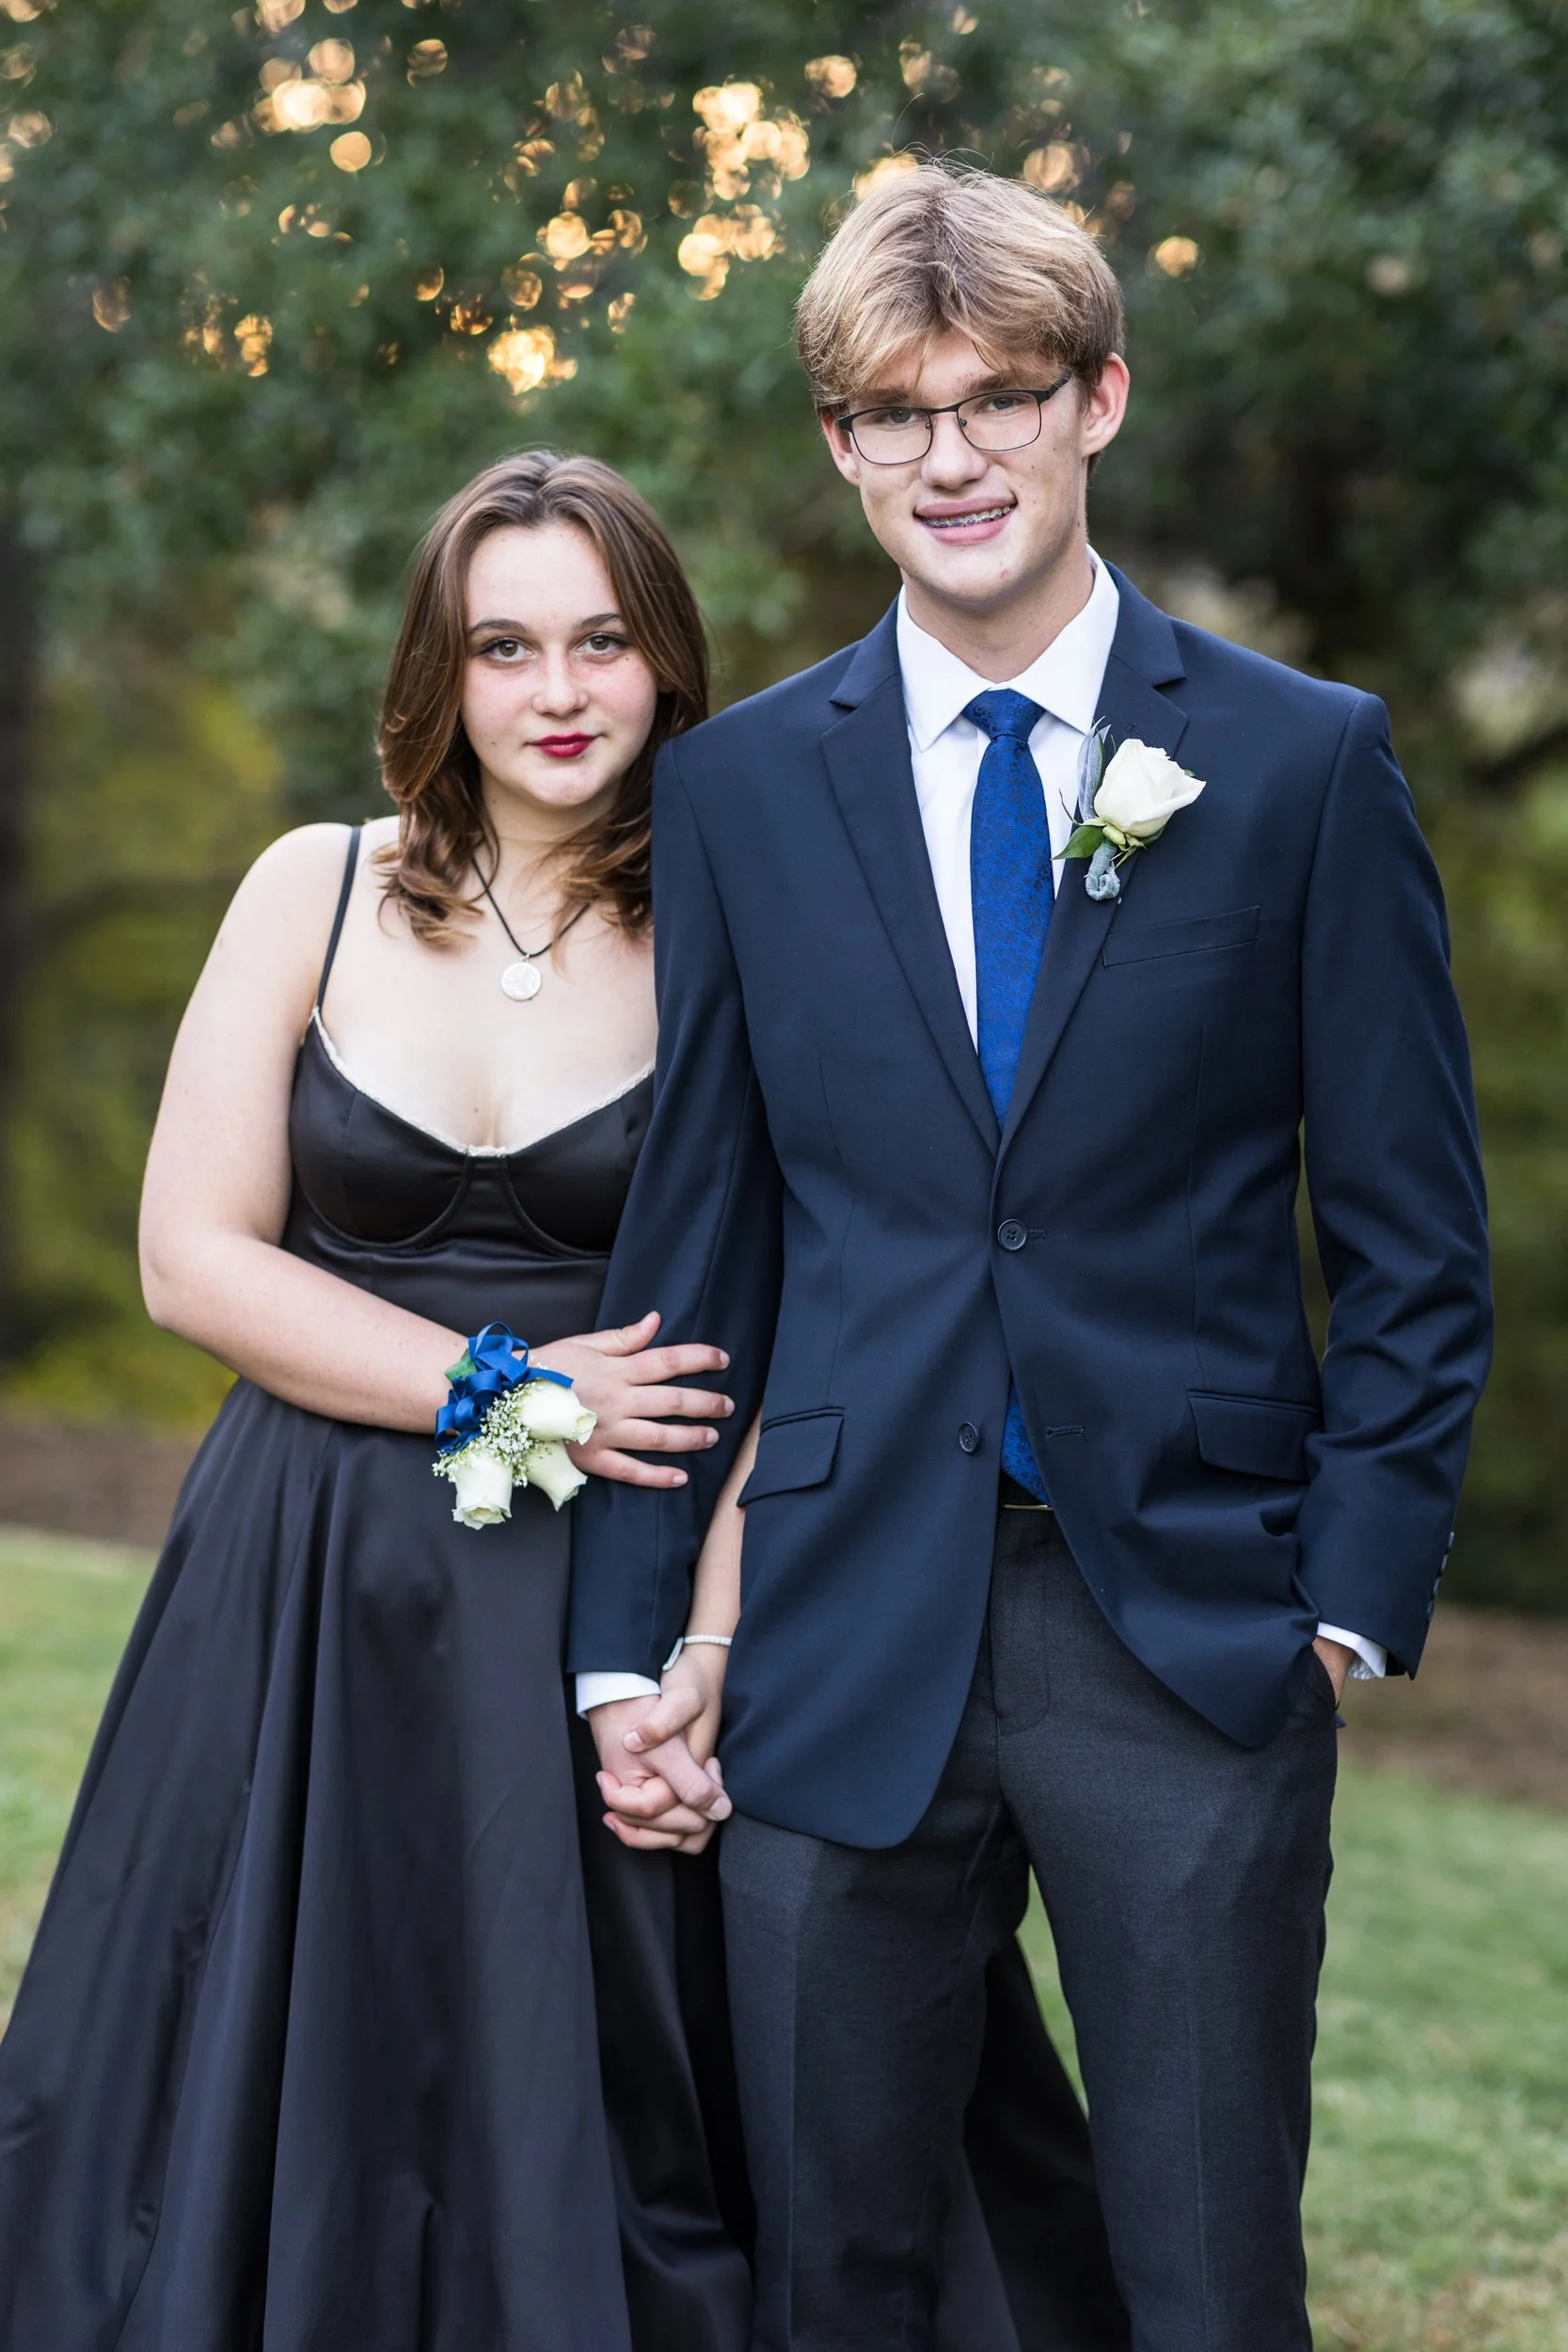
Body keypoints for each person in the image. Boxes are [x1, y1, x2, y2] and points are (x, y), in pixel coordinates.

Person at [0, 450, 1123, 2352]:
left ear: (665, 662)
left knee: (645, 2081)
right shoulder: (315, 888)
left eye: (602, 639)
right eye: (502, 643)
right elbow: (194, 1255)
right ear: (436, 673)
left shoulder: (759, 920)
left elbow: (832, 1305)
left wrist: (707, 1632)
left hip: (629, 1570)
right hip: (312, 1585)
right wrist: (507, 1389)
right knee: (293, 2043)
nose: (556, 689)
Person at [571, 165, 1494, 2351]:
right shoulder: (735, 795)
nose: (949, 454)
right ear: (839, 447)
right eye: (894, 413)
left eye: (996, 397)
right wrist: (629, 1649)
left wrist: (1343, 1600)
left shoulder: (1294, 763)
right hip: (826, 1623)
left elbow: (1409, 1232)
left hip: (1184, 1625)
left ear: (1099, 399)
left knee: (1194, 2269)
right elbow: (697, 1235)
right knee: (835, 2267)